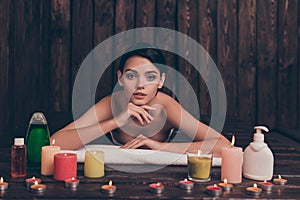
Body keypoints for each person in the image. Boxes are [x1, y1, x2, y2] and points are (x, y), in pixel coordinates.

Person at [50, 43, 230, 156]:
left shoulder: (167, 107)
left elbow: (223, 146)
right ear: (120, 78)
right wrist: (115, 121)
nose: (140, 85)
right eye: (131, 76)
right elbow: (54, 143)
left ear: (161, 81)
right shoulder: (111, 103)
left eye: (150, 77)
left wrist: (157, 146)